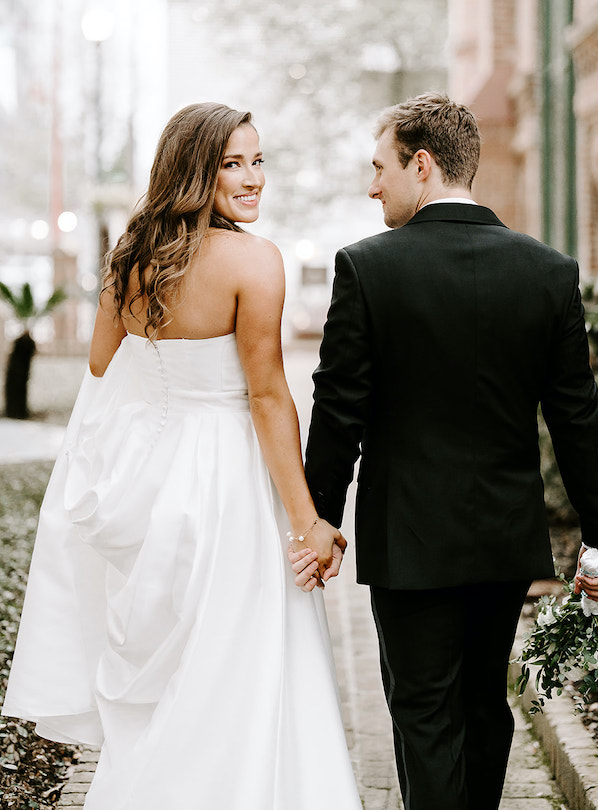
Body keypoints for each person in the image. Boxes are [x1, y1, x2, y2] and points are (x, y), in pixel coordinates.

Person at [2, 102, 362, 810]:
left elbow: (104, 368)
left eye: (259, 161)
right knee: (242, 662)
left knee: (171, 675)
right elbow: (267, 397)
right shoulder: (254, 263)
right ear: (195, 170)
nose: (254, 178)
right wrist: (306, 521)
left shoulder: (130, 257)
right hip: (228, 486)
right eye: (233, 163)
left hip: (155, 483)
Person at [292, 93, 598, 810]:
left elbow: (339, 410)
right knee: (483, 707)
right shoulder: (548, 271)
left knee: (423, 715)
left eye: (379, 166)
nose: (370, 184)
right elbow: (577, 419)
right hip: (503, 541)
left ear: (422, 162)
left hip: (409, 544)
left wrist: (319, 519)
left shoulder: (367, 268)